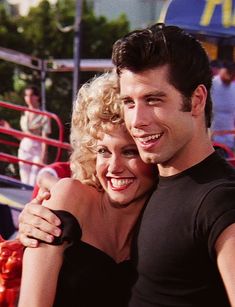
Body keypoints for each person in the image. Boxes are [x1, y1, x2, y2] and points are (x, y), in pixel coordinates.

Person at [19, 23, 235, 306]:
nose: (137, 120)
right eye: (129, 102)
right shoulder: (157, 183)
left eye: (153, 99)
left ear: (196, 101)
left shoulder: (217, 199)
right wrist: (35, 212)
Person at [18, 72, 156, 307]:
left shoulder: (166, 218)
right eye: (103, 151)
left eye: (130, 151)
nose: (114, 167)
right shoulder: (70, 198)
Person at [18, 85, 51, 186]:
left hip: (37, 148)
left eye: (32, 95)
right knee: (24, 179)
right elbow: (23, 135)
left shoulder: (44, 115)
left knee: (33, 180)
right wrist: (9, 129)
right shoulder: (24, 113)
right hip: (24, 147)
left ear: (37, 97)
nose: (29, 98)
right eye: (27, 96)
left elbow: (45, 138)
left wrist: (43, 155)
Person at [211, 61, 235, 151]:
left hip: (230, 139)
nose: (230, 77)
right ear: (223, 70)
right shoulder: (211, 84)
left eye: (233, 76)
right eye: (229, 74)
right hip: (211, 138)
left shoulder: (234, 87)